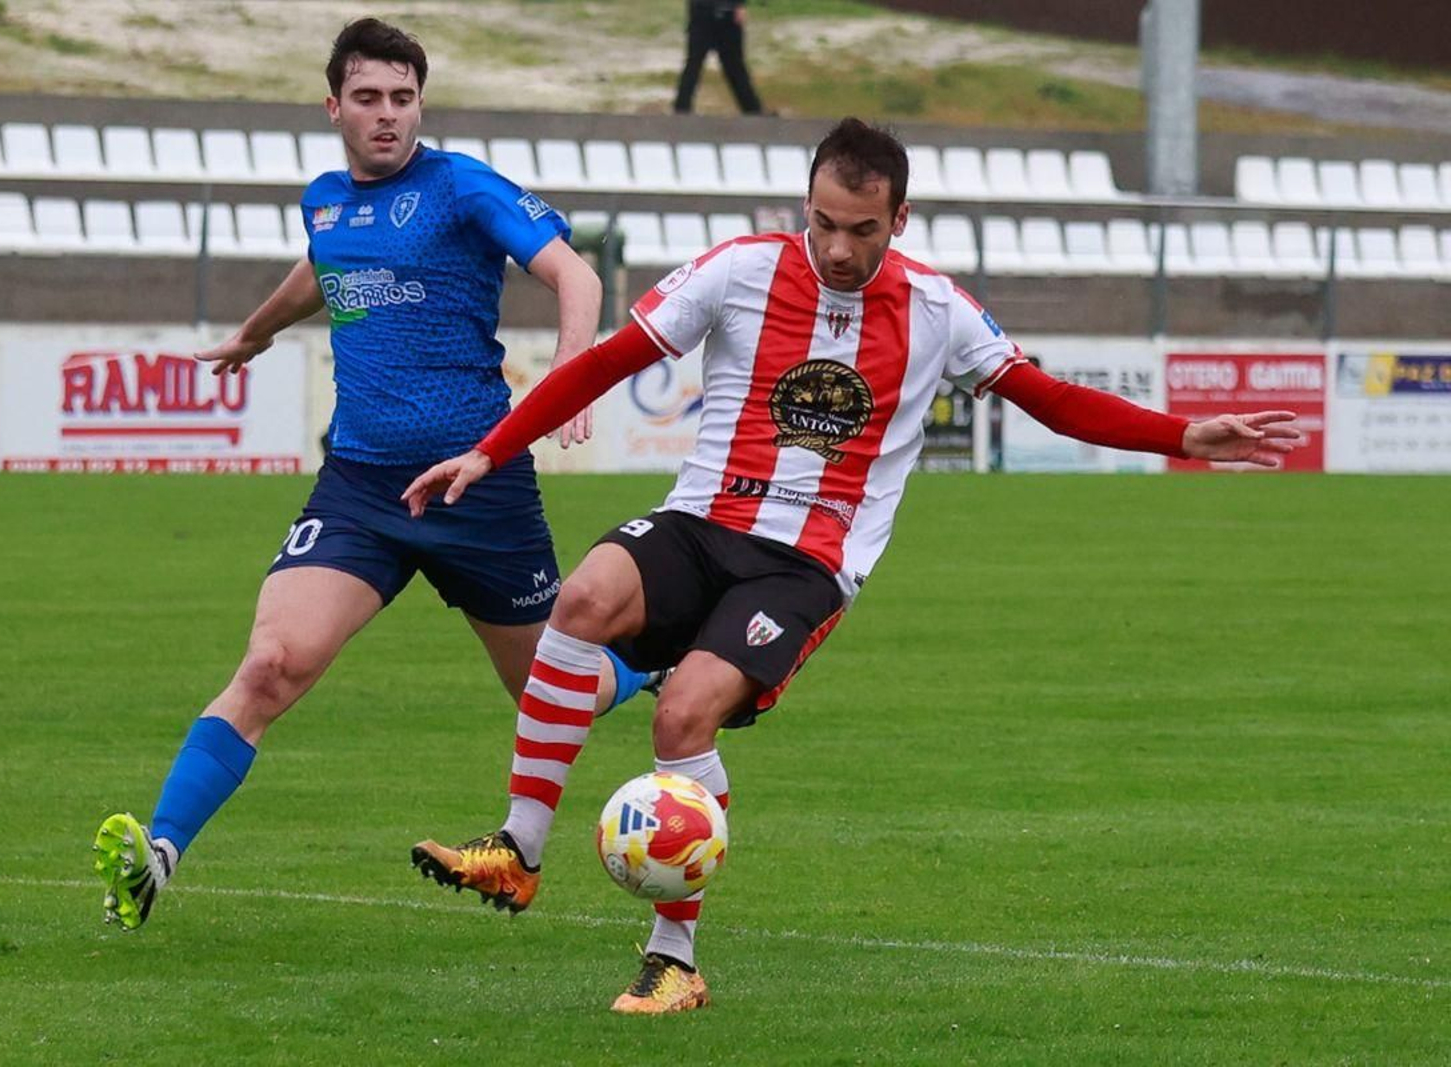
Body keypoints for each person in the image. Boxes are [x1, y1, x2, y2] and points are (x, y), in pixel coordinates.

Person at [403, 117, 1301, 1013]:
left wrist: (1184, 434)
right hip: (700, 519)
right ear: (808, 203)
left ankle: (674, 957)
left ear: (899, 218)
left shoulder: (939, 311)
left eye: (861, 229)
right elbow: (609, 361)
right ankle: (517, 851)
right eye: (824, 221)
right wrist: (491, 450)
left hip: (806, 565)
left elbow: (1051, 401)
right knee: (585, 595)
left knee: (683, 716)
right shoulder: (740, 269)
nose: (837, 246)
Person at [91, 18, 658, 931]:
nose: (387, 116)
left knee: (556, 694)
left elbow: (575, 276)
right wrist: (256, 332)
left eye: (403, 98)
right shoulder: (324, 200)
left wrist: (569, 372)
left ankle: (649, 665)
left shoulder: (462, 186)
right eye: (368, 98)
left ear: (419, 105)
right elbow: (323, 267)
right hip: (360, 488)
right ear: (334, 107)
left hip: (479, 484)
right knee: (273, 663)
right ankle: (157, 854)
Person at [674, 0, 765, 116]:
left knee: (734, 66)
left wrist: (739, 5)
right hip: (707, 12)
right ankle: (681, 108)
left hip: (722, 13)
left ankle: (752, 109)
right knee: (694, 65)